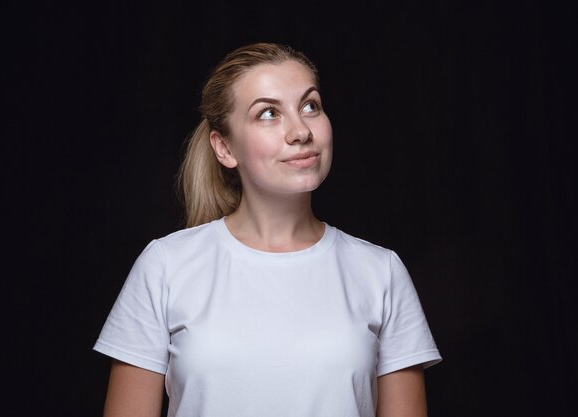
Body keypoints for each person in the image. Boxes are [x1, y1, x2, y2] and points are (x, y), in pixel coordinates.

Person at [94, 42, 442, 417]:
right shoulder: (165, 266)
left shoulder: (381, 272)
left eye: (310, 106)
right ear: (224, 148)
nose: (300, 131)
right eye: (268, 113)